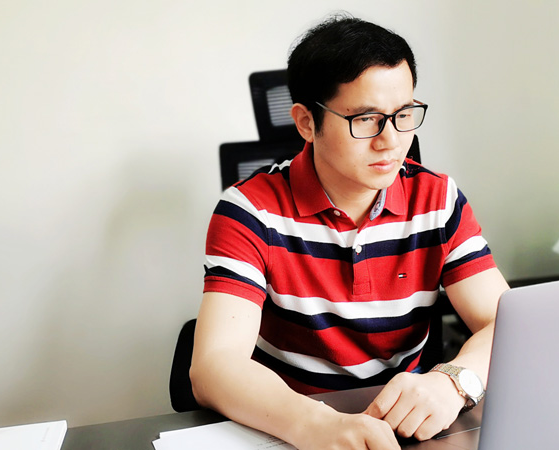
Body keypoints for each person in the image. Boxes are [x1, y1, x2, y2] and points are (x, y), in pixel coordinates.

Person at [190, 14, 509, 450]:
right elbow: (214, 366)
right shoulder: (250, 211)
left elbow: (505, 322)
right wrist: (317, 425)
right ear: (306, 122)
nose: (391, 140)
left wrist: (454, 382)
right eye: (366, 119)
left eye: (403, 115)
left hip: (404, 427)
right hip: (291, 428)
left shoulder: (437, 200)